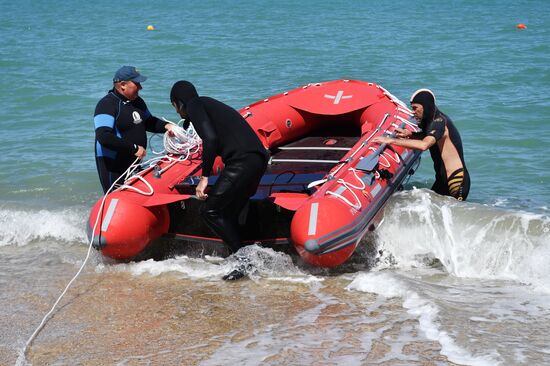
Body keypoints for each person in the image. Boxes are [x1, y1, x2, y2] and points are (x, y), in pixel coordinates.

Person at [170, 80, 269, 258]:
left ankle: (243, 260)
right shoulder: (208, 104)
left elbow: (211, 140)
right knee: (230, 211)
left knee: (210, 211)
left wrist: (204, 177)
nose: (177, 111)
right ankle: (245, 257)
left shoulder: (194, 105)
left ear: (178, 102)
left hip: (242, 162)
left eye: (175, 106)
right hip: (257, 160)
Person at [372, 89, 470, 200]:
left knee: (452, 215)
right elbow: (428, 136)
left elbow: (424, 145)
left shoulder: (439, 122)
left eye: (415, 108)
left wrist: (391, 141)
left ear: (425, 106)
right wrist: (410, 134)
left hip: (456, 180)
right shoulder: (430, 121)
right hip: (442, 180)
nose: (413, 112)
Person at [93, 66, 176, 193]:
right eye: (137, 83)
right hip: (114, 164)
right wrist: (134, 148)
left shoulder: (138, 102)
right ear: (122, 85)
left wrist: (167, 126)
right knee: (118, 198)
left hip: (134, 162)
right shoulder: (106, 104)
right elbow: (104, 136)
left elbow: (149, 122)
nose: (140, 87)